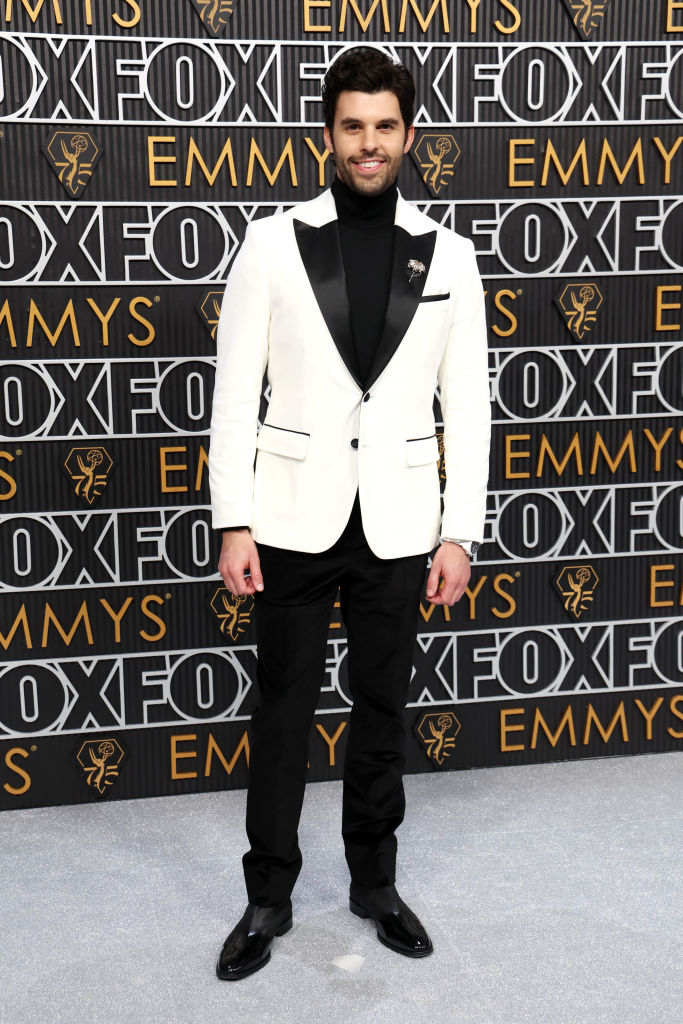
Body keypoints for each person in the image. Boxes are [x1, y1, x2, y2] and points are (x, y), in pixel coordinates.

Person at [209, 46, 491, 981]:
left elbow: (469, 401)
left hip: (401, 523)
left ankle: (375, 883)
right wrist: (232, 520)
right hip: (289, 518)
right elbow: (233, 388)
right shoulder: (271, 242)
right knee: (282, 713)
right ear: (326, 134)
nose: (368, 144)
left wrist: (459, 530)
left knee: (381, 709)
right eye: (350, 126)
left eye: (384, 126)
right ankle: (268, 895)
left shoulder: (450, 254)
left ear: (409, 135)